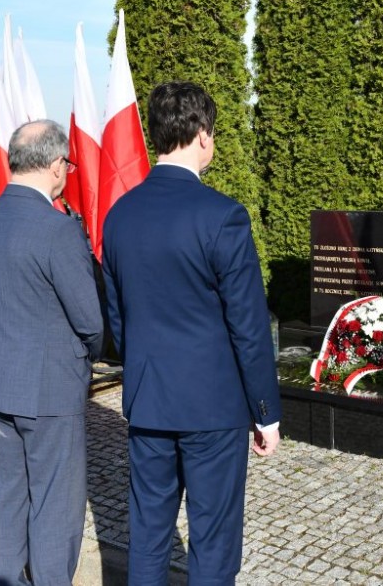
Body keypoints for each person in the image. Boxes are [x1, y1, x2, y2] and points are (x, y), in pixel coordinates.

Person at [102, 81, 282, 585]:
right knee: (214, 541)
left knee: (148, 535)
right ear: (203, 134)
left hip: (149, 400)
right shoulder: (222, 215)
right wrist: (265, 412)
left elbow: (119, 319)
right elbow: (248, 325)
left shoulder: (118, 216)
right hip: (213, 408)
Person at [0, 120, 104, 586]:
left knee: (8, 497)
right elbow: (90, 321)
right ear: (55, 165)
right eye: (67, 164)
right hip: (49, 388)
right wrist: (86, 357)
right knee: (55, 504)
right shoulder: (57, 229)